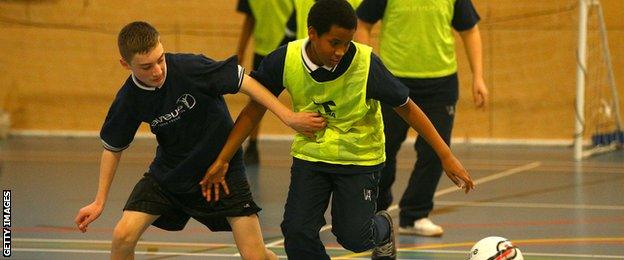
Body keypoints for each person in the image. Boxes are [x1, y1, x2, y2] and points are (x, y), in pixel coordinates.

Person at [200, 1, 475, 259]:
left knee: (353, 238)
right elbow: (253, 108)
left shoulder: (366, 65)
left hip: (359, 158)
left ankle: (381, 227)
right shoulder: (286, 59)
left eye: (347, 43)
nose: (341, 51)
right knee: (297, 234)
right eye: (334, 43)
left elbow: (407, 107)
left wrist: (445, 154)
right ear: (312, 33)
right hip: (312, 156)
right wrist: (223, 158)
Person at [74, 21, 325, 260]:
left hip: (222, 170)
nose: (158, 70)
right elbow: (112, 148)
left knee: (255, 255)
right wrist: (99, 201)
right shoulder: (129, 99)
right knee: (122, 236)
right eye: (146, 66)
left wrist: (288, 116)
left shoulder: (191, 68)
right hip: (171, 173)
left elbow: (247, 83)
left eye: (160, 59)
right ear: (125, 64)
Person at [355, 0, 488, 237]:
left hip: (441, 84)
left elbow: (470, 30)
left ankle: (414, 215)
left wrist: (478, 76)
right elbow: (362, 24)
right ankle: (376, 211)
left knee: (435, 152)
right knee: (382, 149)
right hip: (393, 79)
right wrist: (368, 68)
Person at [236, 0, 296, 165]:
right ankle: (252, 146)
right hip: (264, 50)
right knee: (257, 99)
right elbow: (250, 18)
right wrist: (240, 50)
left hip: (292, 49)